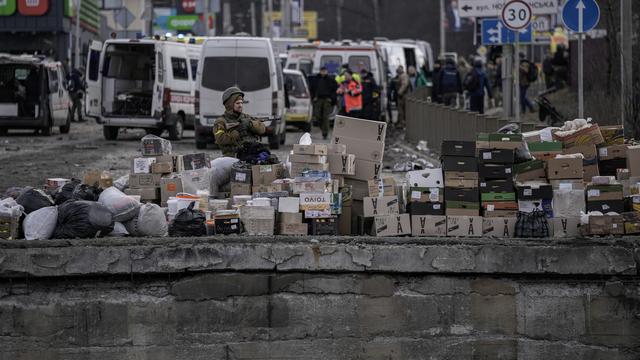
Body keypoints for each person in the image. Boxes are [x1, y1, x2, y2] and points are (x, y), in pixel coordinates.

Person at [213, 87, 266, 157]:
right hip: (232, 156)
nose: (240, 105)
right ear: (230, 104)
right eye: (237, 103)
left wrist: (251, 124)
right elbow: (219, 139)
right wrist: (237, 133)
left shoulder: (246, 117)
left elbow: (262, 129)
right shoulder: (221, 121)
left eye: (241, 103)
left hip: (251, 153)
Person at [310, 66, 338, 139]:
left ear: (327, 71)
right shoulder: (316, 79)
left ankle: (325, 133)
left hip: (327, 99)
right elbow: (312, 89)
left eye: (324, 71)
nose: (323, 72)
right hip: (318, 99)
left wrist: (331, 98)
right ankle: (323, 128)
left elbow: (335, 90)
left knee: (325, 116)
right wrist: (313, 97)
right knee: (317, 115)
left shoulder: (331, 79)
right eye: (322, 71)